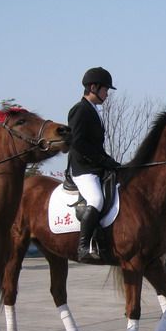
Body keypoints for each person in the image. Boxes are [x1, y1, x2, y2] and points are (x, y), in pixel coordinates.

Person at [68, 67, 120, 263]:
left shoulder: (93, 111)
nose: (107, 93)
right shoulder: (80, 110)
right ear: (93, 87)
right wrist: (103, 161)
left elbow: (96, 146)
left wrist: (111, 162)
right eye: (105, 89)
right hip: (83, 168)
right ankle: (83, 246)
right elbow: (78, 143)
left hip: (96, 166)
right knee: (96, 199)